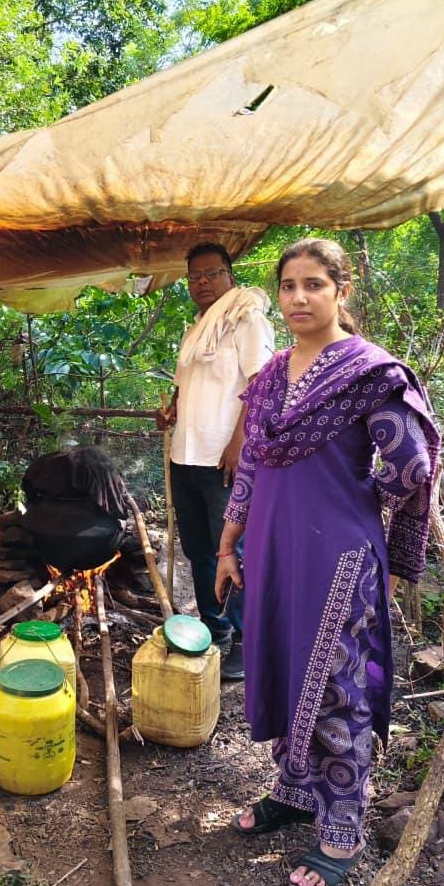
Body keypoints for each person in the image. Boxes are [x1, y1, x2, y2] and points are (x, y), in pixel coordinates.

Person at [216, 238, 438, 886]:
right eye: (288, 286)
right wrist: (228, 544)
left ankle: (343, 826)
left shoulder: (369, 374)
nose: (298, 297)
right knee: (288, 669)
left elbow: (412, 465)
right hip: (271, 550)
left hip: (337, 556)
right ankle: (293, 790)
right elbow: (251, 465)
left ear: (342, 290)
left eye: (313, 284)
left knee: (337, 687)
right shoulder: (270, 376)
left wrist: (357, 507)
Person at [157, 243, 275, 681]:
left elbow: (262, 385)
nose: (202, 282)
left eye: (212, 273)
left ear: (230, 275)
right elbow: (186, 384)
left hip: (224, 458)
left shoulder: (247, 318)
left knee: (234, 549)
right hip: (185, 454)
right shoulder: (197, 329)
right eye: (194, 276)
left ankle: (247, 638)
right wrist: (172, 410)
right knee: (199, 548)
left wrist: (240, 441)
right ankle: (215, 627)